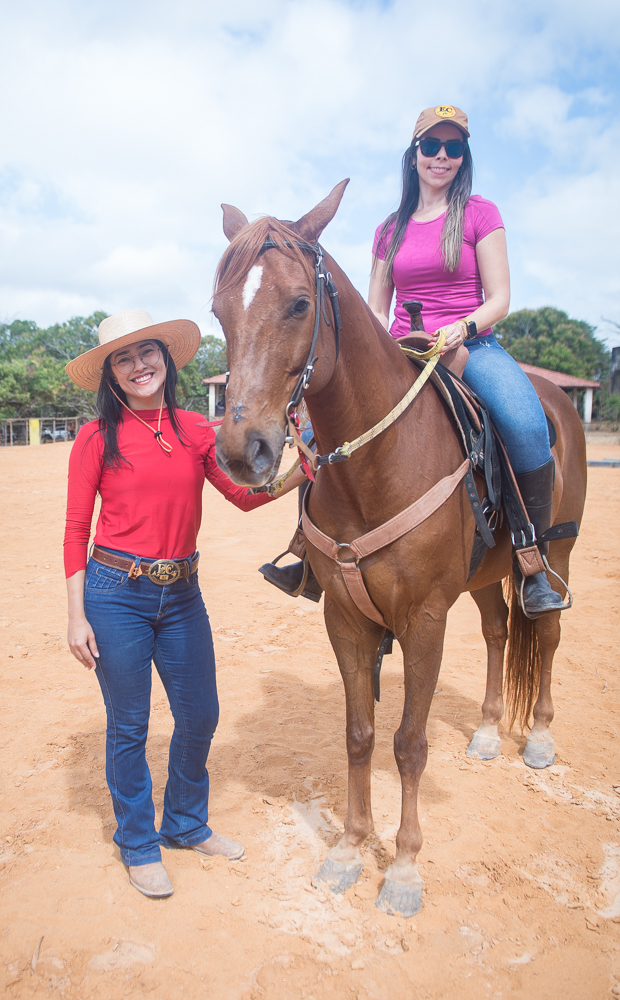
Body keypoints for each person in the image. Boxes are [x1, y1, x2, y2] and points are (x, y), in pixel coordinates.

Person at [262, 104, 567, 619]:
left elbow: (500, 296)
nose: (442, 156)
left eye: (454, 147)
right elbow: (377, 308)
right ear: (415, 154)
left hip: (471, 347)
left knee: (525, 424)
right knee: (321, 434)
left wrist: (461, 328)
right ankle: (307, 553)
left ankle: (531, 561)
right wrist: (374, 353)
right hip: (402, 349)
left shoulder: (480, 214)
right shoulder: (390, 228)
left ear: (463, 157)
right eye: (432, 146)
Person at [64, 310, 303, 899]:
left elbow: (242, 496)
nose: (138, 365)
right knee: (130, 726)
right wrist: (76, 615)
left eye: (148, 352)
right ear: (111, 374)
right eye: (124, 358)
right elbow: (75, 528)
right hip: (115, 594)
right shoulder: (98, 437)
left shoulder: (195, 429)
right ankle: (139, 843)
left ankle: (185, 824)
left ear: (166, 360)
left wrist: (302, 474)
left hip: (182, 596)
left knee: (200, 715)